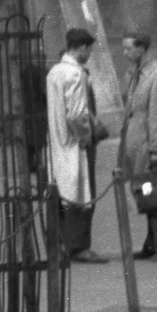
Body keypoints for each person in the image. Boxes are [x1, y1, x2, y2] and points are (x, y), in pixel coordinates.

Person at [46, 27, 106, 263]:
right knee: (81, 192)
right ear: (81, 48)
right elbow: (77, 115)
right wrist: (85, 136)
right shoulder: (75, 74)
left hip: (57, 140)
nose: (89, 54)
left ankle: (61, 244)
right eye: (89, 49)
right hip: (74, 142)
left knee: (61, 192)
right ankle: (79, 246)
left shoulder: (54, 72)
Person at [119, 32, 157, 261]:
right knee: (147, 195)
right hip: (137, 145)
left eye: (128, 49)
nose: (125, 53)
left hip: (150, 145)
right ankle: (153, 243)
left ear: (142, 48)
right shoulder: (135, 74)